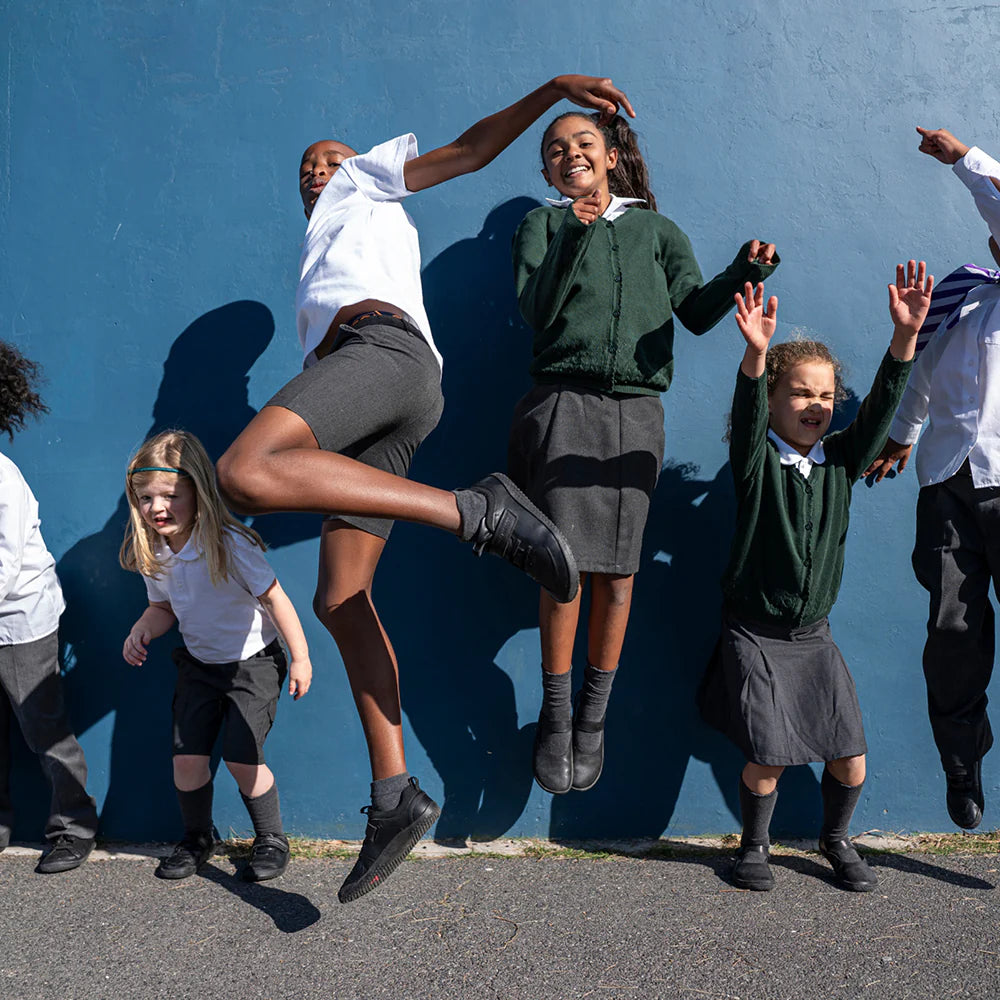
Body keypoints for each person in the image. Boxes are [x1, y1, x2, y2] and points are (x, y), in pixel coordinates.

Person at [215, 75, 633, 903]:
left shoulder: (365, 182)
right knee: (340, 597)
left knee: (242, 472)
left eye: (329, 157)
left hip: (381, 355)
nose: (319, 169)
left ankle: (475, 511)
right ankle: (394, 794)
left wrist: (548, 90)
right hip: (376, 388)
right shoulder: (331, 234)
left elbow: (472, 151)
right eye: (306, 167)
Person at [508, 111, 778, 794]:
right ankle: (558, 711)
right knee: (562, 568)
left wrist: (744, 271)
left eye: (583, 144)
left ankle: (594, 720)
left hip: (637, 414)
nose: (570, 154)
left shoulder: (658, 232)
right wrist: (576, 228)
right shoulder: (543, 225)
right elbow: (537, 309)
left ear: (611, 156)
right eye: (555, 150)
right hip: (564, 405)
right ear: (548, 171)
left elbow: (694, 311)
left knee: (620, 574)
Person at [699, 263, 932, 892]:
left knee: (850, 759)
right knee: (769, 758)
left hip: (814, 637)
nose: (816, 405)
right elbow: (747, 421)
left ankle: (835, 838)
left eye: (825, 396)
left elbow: (882, 407)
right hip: (756, 632)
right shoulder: (755, 464)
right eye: (801, 393)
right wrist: (754, 357)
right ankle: (754, 847)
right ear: (776, 399)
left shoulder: (840, 462)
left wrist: (904, 338)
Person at [866, 128, 1000, 830]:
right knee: (953, 629)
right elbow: (923, 376)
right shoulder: (965, 298)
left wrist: (966, 161)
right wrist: (900, 435)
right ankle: (961, 758)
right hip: (948, 484)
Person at [121, 430, 312, 882]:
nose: (157, 508)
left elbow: (275, 599)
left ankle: (270, 838)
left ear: (198, 491)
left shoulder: (229, 544)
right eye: (145, 499)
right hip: (199, 666)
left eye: (170, 495)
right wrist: (143, 629)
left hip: (253, 664)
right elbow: (162, 607)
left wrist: (301, 658)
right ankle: (196, 838)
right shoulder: (158, 552)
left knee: (243, 756)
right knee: (187, 759)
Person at [0, 341, 99, 873]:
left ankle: (75, 825)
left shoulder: (2, 475)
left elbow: (7, 559)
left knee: (42, 726)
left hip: (19, 621)